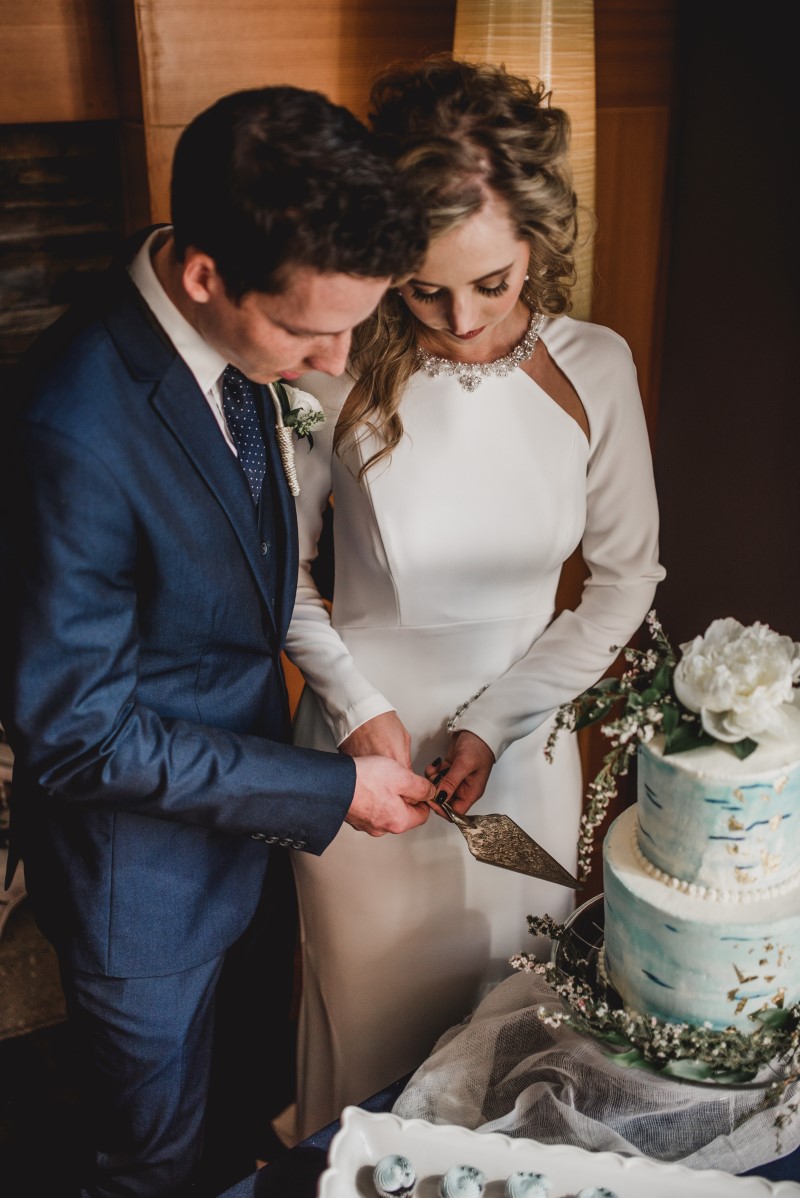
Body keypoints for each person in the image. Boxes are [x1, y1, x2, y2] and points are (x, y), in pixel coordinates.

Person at [0, 85, 436, 1198]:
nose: (335, 358)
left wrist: (349, 707)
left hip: (242, 839)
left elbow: (243, 572)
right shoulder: (70, 427)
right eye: (308, 329)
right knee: (147, 1166)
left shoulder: (242, 346)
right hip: (138, 888)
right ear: (203, 275)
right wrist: (327, 790)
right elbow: (79, 736)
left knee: (236, 1121)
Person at [283, 54, 666, 1138]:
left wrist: (497, 722)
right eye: (422, 286)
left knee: (508, 1035)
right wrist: (359, 709)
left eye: (491, 283)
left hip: (523, 756)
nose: (458, 316)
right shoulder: (326, 370)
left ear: (537, 240)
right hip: (362, 760)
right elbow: (279, 578)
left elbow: (623, 582)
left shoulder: (596, 367)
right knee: (373, 1053)